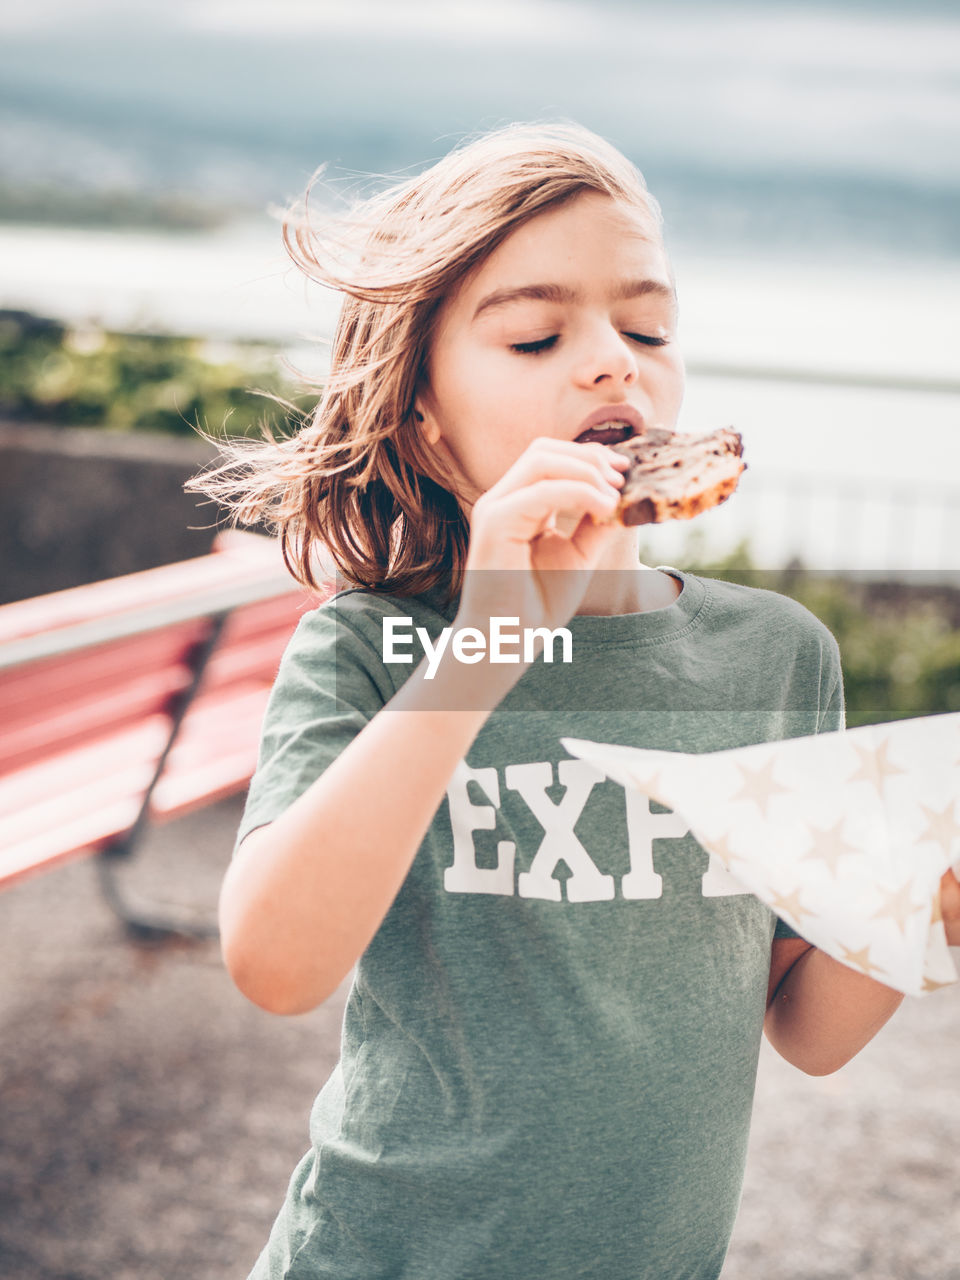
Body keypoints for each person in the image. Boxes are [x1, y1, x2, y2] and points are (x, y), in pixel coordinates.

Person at [189, 123, 960, 1280]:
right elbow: (278, 964)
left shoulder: (774, 657)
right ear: (424, 420)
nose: (614, 361)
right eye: (538, 332)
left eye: (647, 326)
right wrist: (489, 644)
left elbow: (805, 1023)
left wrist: (927, 898)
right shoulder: (371, 650)